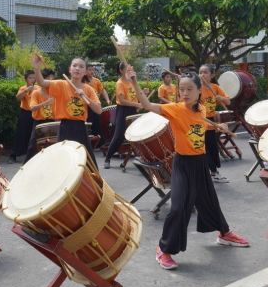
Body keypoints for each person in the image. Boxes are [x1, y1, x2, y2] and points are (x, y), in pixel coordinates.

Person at [124, 66, 250, 270]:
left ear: (199, 91)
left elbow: (200, 124)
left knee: (210, 201)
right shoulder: (175, 109)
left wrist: (218, 126)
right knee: (179, 207)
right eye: (181, 89)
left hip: (200, 163)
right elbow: (146, 104)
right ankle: (163, 249)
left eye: (189, 89)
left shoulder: (201, 109)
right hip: (183, 164)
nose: (184, 93)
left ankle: (224, 233)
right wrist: (134, 81)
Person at [32, 54, 101, 163]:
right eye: (74, 65)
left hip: (81, 127)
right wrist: (36, 68)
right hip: (65, 127)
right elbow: (42, 83)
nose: (77, 68)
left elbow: (99, 110)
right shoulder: (61, 84)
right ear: (70, 69)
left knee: (87, 161)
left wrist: (85, 96)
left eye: (81, 66)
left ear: (85, 72)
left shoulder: (88, 89)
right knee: (63, 161)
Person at [103, 62, 142, 169]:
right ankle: (107, 158)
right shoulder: (120, 83)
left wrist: (140, 100)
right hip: (123, 110)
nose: (130, 71)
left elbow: (136, 96)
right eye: (128, 70)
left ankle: (141, 159)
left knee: (136, 136)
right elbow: (122, 100)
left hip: (133, 110)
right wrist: (137, 104)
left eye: (131, 69)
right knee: (119, 136)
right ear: (121, 71)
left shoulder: (132, 82)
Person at [198, 64, 231, 183]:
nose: (202, 75)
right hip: (200, 121)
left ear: (212, 75)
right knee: (204, 148)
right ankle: (213, 172)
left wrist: (221, 98)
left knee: (212, 148)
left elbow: (228, 102)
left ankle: (213, 172)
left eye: (205, 72)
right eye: (200, 72)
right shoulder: (196, 88)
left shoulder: (215, 87)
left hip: (211, 121)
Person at [24, 69, 56, 162]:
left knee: (53, 146)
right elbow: (32, 107)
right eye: (48, 80)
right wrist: (46, 103)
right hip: (39, 123)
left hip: (52, 122)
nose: (50, 82)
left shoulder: (55, 93)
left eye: (52, 80)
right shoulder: (36, 92)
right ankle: (27, 166)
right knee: (33, 146)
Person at [11, 70, 37, 162]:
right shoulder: (23, 88)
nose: (32, 80)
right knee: (21, 133)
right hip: (25, 113)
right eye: (30, 78)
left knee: (33, 135)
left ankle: (31, 155)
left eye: (34, 78)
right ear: (26, 79)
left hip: (35, 113)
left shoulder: (37, 88)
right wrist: (26, 90)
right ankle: (14, 154)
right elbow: (18, 98)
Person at [86, 64, 111, 145]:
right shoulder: (83, 81)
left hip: (96, 105)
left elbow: (102, 90)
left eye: (92, 70)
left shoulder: (96, 81)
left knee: (97, 123)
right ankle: (88, 142)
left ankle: (98, 143)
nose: (92, 71)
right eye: (89, 70)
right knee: (89, 124)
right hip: (86, 106)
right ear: (85, 71)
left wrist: (107, 100)